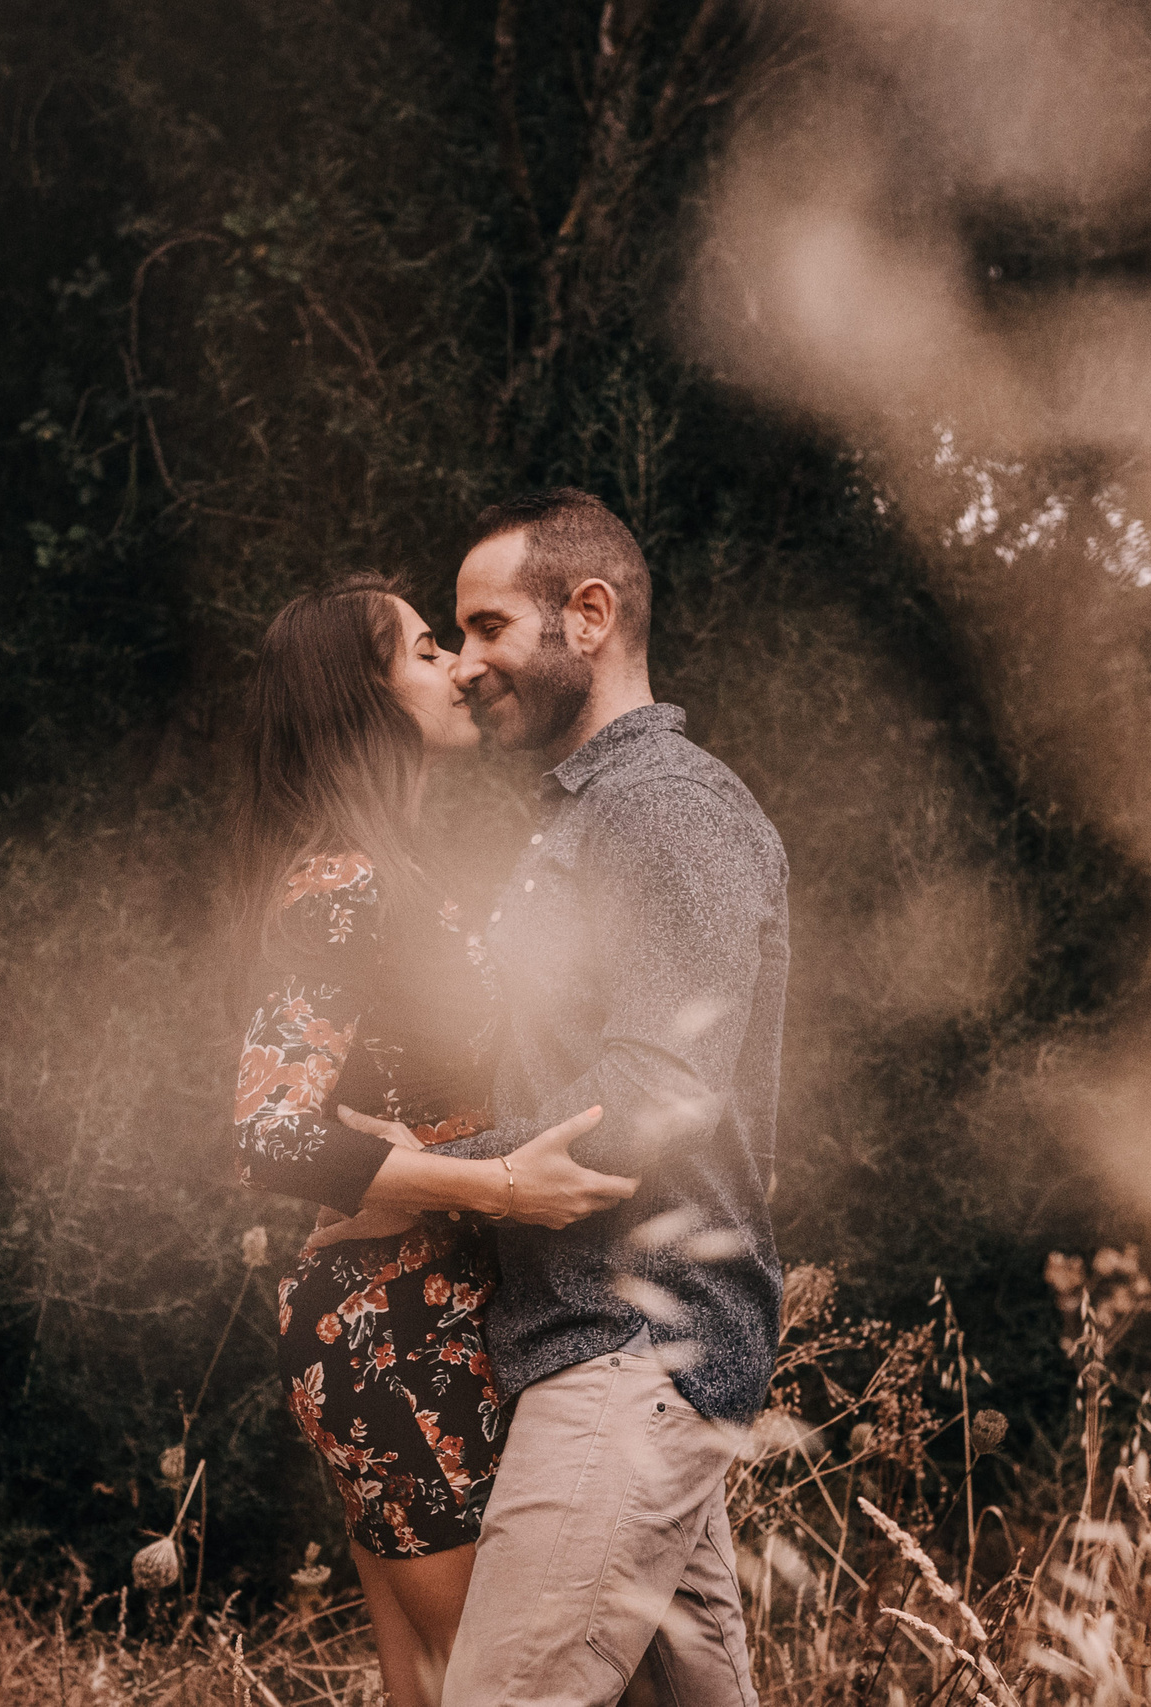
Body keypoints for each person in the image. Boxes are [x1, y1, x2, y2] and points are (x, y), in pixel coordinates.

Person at [335, 489, 790, 1707]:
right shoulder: (590, 815)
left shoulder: (665, 809)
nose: (465, 660)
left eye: (487, 626)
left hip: (628, 1351)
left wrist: (435, 1178)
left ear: (588, 616)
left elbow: (657, 1093)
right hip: (593, 1344)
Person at [226, 577, 639, 1707]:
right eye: (423, 650)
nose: (459, 665)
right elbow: (266, 1133)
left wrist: (425, 1168)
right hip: (388, 1329)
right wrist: (497, 1182)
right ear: (361, 697)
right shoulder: (343, 883)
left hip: (426, 1307)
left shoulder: (390, 873)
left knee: (444, 1690)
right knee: (516, 1690)